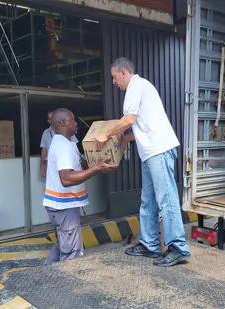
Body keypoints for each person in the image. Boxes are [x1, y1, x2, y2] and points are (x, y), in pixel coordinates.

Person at [95, 57, 191, 267]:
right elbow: (137, 128)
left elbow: (128, 121)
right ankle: (150, 245)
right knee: (148, 200)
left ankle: (178, 247)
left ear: (123, 72)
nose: (113, 82)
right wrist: (121, 138)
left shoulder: (135, 87)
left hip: (159, 150)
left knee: (166, 199)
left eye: (114, 77)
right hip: (150, 152)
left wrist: (107, 135)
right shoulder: (141, 88)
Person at [43, 108, 119, 265]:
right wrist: (96, 168)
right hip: (64, 207)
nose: (76, 123)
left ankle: (44, 273)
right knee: (71, 254)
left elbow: (71, 169)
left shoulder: (64, 142)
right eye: (73, 120)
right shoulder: (64, 146)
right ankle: (66, 286)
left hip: (60, 207)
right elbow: (66, 178)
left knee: (63, 245)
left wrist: (89, 165)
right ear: (63, 123)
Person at [40, 110, 78, 177]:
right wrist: (42, 166)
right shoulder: (47, 133)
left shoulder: (68, 132)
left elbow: (75, 147)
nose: (75, 123)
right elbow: (44, 149)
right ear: (49, 121)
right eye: (72, 120)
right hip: (53, 165)